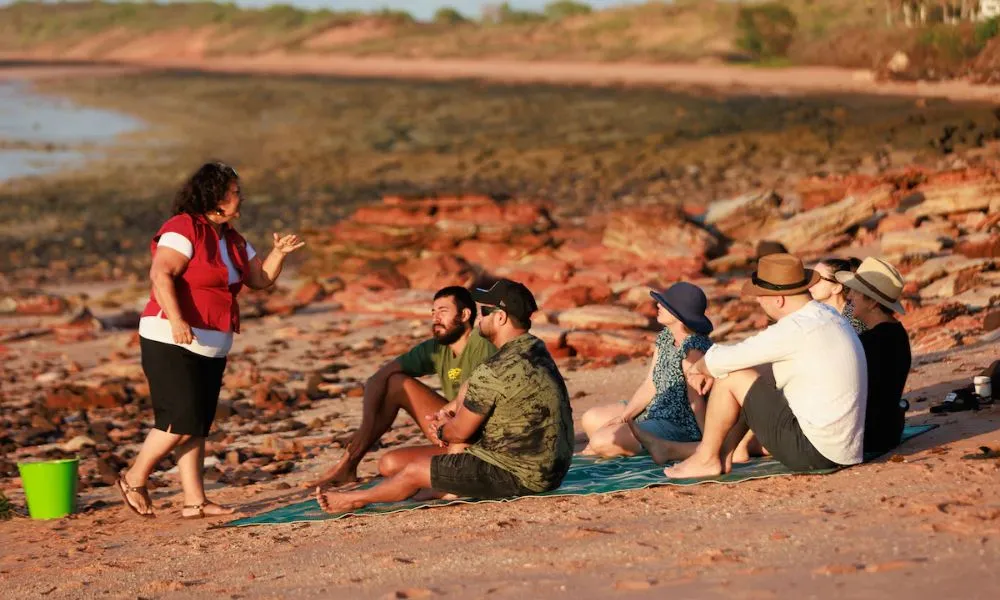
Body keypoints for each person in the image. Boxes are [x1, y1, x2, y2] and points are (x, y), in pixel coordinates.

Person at [117, 162, 305, 518]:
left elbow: (260, 280)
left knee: (197, 424)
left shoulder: (232, 239)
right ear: (216, 197)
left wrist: (278, 253)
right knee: (179, 420)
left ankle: (195, 502)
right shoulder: (183, 228)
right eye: (235, 192)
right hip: (171, 337)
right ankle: (134, 477)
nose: (241, 198)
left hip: (212, 343)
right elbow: (161, 274)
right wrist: (177, 320)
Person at [315, 279, 574, 513]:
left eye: (484, 312)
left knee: (415, 472)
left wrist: (441, 429)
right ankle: (446, 483)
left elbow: (460, 433)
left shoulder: (494, 367)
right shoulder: (536, 349)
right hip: (552, 470)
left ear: (501, 318)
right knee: (408, 472)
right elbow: (474, 387)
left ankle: (355, 499)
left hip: (520, 475)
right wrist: (454, 408)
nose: (479, 319)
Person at [664, 253, 867, 479]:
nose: (759, 301)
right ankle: (725, 453)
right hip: (844, 450)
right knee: (747, 372)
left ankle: (705, 458)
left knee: (732, 377)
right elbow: (750, 361)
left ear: (778, 299)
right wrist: (714, 368)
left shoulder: (795, 327)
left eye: (761, 296)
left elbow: (725, 358)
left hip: (814, 452)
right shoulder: (826, 315)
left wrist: (697, 368)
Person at [301, 286, 496, 488]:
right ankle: (347, 466)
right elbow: (377, 378)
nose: (436, 318)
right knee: (395, 383)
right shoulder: (436, 348)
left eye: (443, 311)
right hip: (451, 430)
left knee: (390, 465)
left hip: (481, 439)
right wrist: (366, 428)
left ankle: (458, 467)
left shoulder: (481, 345)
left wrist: (447, 415)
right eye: (433, 312)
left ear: (464, 315)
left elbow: (480, 394)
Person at [579, 282, 713, 462]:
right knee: (590, 419)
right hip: (655, 410)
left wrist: (709, 440)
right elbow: (651, 384)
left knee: (602, 441)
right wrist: (624, 417)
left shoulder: (693, 348)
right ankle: (628, 442)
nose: (658, 305)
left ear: (678, 315)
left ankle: (666, 446)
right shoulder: (666, 337)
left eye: (664, 304)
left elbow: (695, 400)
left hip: (678, 424)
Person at [836, 257, 911, 454]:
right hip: (888, 432)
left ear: (873, 303)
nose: (849, 297)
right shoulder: (896, 332)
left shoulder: (871, 342)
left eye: (855, 292)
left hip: (865, 438)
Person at [809, 257, 866, 334]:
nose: (811, 282)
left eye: (818, 278)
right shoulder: (815, 312)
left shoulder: (855, 322)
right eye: (812, 276)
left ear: (837, 288)